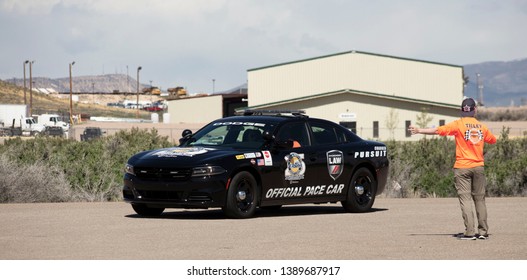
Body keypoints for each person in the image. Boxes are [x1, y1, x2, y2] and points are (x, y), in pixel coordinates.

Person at [408, 97, 497, 240]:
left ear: (462, 111)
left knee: (465, 199)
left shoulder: (458, 124)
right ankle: (483, 232)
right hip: (478, 166)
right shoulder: (482, 127)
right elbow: (493, 140)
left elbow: (437, 130)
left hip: (462, 167)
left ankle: (469, 232)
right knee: (480, 199)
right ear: (475, 110)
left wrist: (419, 130)